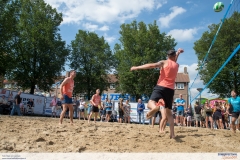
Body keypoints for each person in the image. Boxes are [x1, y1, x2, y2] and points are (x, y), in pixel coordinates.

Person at [130, 48, 184, 139]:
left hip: (161, 86)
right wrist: (178, 53)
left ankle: (155, 107)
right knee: (169, 113)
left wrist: (137, 67)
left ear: (167, 56)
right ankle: (172, 134)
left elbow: (151, 65)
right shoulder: (176, 65)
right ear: (174, 56)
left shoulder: (164, 62)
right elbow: (174, 61)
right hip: (170, 90)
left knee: (150, 102)